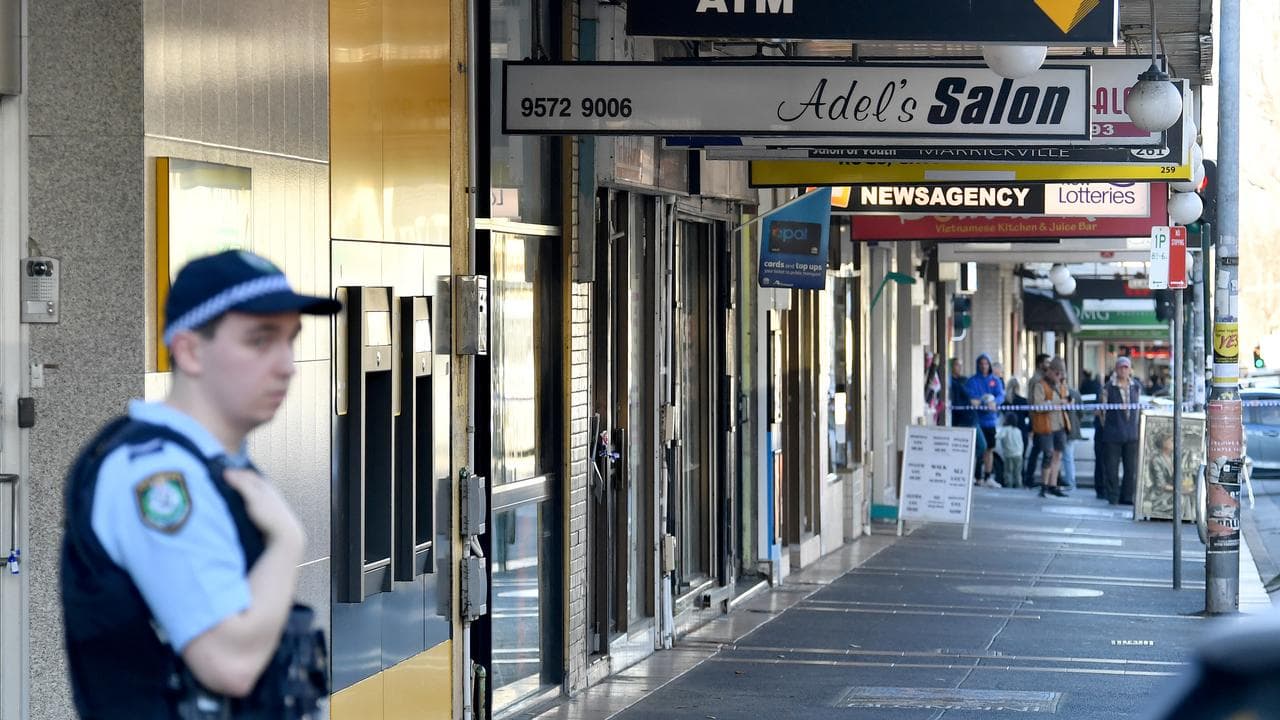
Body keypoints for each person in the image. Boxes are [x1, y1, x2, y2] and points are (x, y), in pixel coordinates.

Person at [60, 250, 338, 719]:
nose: (287, 365)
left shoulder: (212, 462)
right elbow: (230, 664)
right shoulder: (156, 476)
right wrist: (288, 543)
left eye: (290, 339)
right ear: (189, 351)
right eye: (260, 341)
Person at [1099, 356, 1144, 505]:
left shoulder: (1136, 386)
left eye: (1126, 367)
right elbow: (1102, 412)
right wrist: (1107, 427)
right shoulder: (1108, 387)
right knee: (1111, 468)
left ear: (1130, 369)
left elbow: (1139, 409)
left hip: (1131, 435)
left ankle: (1127, 497)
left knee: (1130, 469)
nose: (1123, 370)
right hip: (1112, 434)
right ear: (1116, 369)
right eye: (1121, 367)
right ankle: (1113, 496)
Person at [1030, 357, 1071, 497]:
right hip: (1046, 426)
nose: (1060, 377)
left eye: (1061, 374)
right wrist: (1057, 403)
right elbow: (1038, 406)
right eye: (1058, 373)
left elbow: (1066, 400)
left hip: (1060, 424)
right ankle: (1044, 485)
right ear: (1051, 371)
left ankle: (1053, 485)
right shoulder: (1040, 385)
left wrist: (1068, 403)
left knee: (1058, 454)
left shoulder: (1061, 385)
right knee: (1048, 454)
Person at [966, 353, 1005, 488]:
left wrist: (995, 402)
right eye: (981, 364)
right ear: (978, 365)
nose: (984, 366)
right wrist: (981, 402)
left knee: (990, 448)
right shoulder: (972, 381)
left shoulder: (995, 380)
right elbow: (971, 397)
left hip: (990, 421)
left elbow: (1001, 395)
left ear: (989, 365)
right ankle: (975, 476)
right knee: (978, 449)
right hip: (977, 421)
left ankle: (988, 476)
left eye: (986, 363)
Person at [1023, 353, 1052, 488]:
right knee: (1042, 450)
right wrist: (1032, 419)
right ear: (1040, 364)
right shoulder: (1037, 380)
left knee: (1038, 449)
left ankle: (1030, 477)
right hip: (1038, 419)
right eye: (1047, 362)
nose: (1049, 365)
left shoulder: (1045, 378)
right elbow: (1033, 401)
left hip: (1043, 418)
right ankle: (1030, 478)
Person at [996, 412, 1025, 489]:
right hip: (1018, 454)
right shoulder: (1018, 430)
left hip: (1008, 453)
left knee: (1008, 471)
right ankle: (1018, 485)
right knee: (1018, 472)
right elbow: (1021, 443)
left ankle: (1009, 485)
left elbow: (998, 436)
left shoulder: (1005, 429)